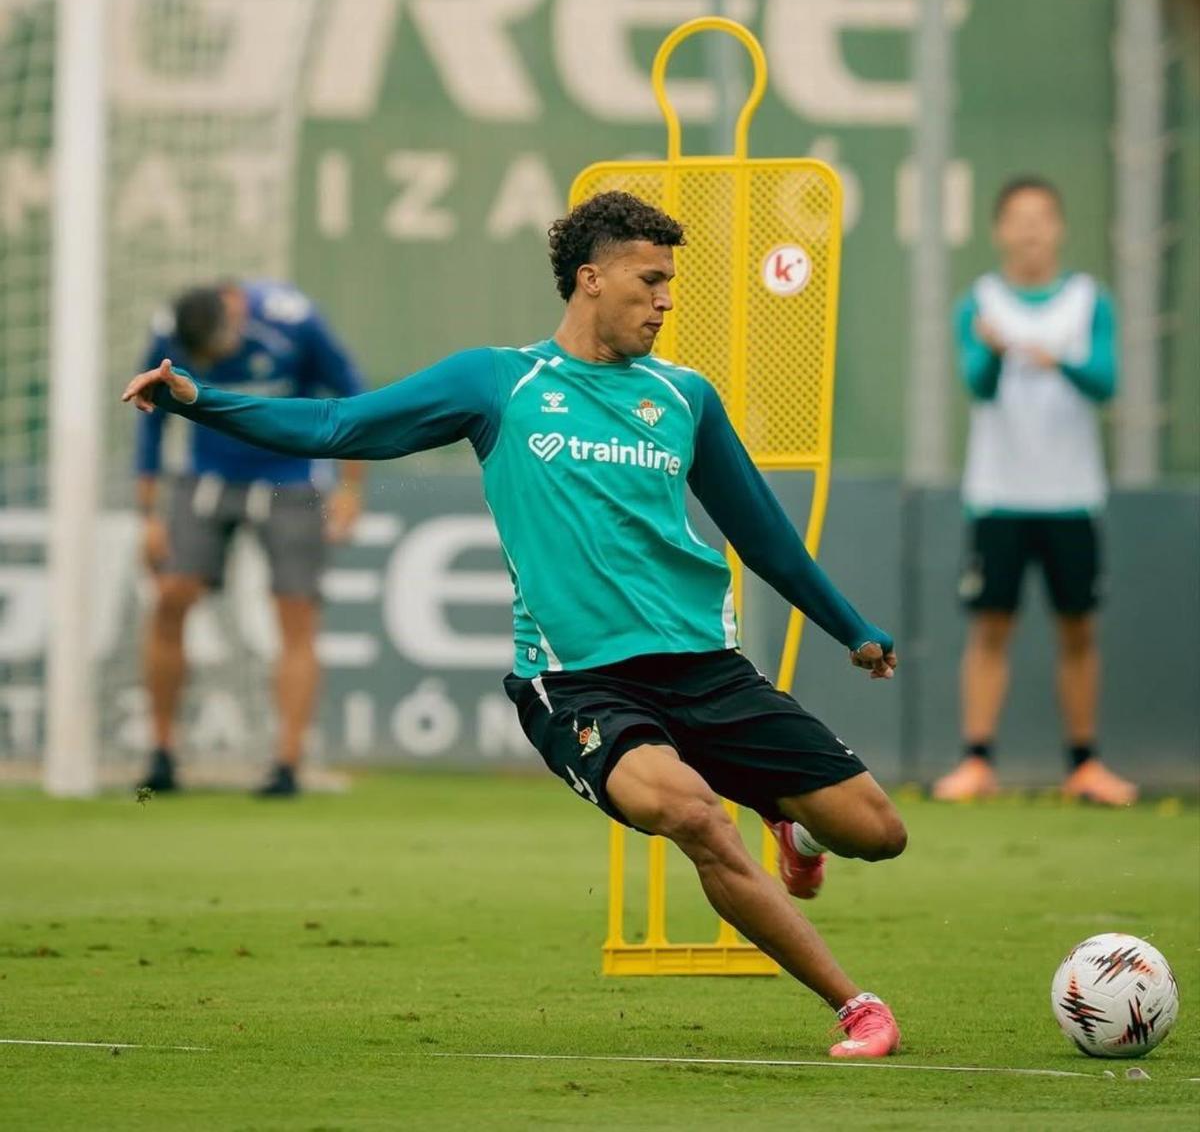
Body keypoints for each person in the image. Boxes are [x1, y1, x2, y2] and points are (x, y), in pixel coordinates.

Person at [123, 192, 905, 1058]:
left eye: (670, 282)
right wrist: (198, 399)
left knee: (878, 834)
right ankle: (855, 1006)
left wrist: (851, 627)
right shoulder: (498, 382)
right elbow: (339, 423)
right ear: (590, 278)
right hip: (577, 684)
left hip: (707, 668)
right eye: (651, 280)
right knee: (693, 817)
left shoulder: (684, 396)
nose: (666, 299)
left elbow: (762, 535)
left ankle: (787, 818)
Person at [934, 177, 1136, 806]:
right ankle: (977, 761)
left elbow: (1106, 381)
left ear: (1059, 227)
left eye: (1041, 217)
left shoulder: (1087, 300)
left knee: (1077, 629)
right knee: (991, 627)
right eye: (1017, 218)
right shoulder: (981, 303)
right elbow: (980, 384)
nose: (1029, 230)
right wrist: (996, 353)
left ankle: (1083, 763)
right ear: (998, 230)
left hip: (1072, 495)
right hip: (999, 495)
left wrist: (1060, 359)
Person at [134, 280, 367, 797]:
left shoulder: (295, 321)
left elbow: (352, 391)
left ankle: (286, 764)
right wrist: (148, 515)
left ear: (236, 314)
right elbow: (146, 417)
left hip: (292, 480)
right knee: (170, 596)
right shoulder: (168, 332)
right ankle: (161, 752)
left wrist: (352, 487)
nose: (217, 360)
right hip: (206, 477)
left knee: (295, 613)